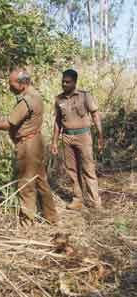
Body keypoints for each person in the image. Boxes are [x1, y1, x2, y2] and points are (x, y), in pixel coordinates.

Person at [0, 67, 58, 225]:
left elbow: (9, 123)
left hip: (28, 145)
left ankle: (27, 222)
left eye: (12, 83)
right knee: (41, 180)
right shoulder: (35, 96)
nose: (9, 86)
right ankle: (52, 218)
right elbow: (20, 123)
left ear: (23, 84)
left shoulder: (26, 101)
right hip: (36, 141)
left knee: (26, 183)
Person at [51, 69, 103, 210]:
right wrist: (55, 142)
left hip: (83, 136)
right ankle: (78, 199)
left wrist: (100, 136)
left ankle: (94, 201)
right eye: (63, 81)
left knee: (88, 168)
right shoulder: (59, 99)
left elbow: (95, 115)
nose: (64, 84)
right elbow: (57, 121)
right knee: (71, 170)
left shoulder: (84, 96)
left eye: (68, 82)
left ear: (75, 82)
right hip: (67, 137)